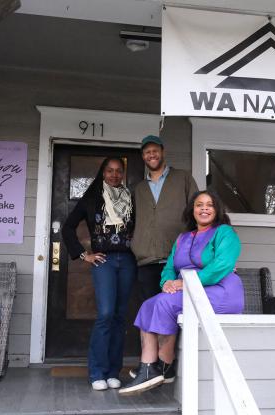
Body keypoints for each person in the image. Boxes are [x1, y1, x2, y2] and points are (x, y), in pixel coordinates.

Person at [119, 190, 244, 396]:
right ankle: (155, 367)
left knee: (163, 304)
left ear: (217, 210)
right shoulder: (183, 238)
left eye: (209, 205)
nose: (204, 208)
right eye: (199, 204)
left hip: (221, 291)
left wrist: (183, 284)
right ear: (192, 210)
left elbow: (221, 266)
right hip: (189, 288)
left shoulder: (225, 233)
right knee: (149, 304)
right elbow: (170, 266)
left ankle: (157, 367)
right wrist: (167, 282)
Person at [62, 157, 136, 392]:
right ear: (103, 173)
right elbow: (67, 227)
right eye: (110, 171)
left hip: (127, 261)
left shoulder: (132, 199)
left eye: (118, 171)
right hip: (103, 261)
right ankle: (97, 372)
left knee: (119, 316)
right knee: (105, 314)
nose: (114, 175)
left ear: (123, 174)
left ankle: (114, 371)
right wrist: (85, 255)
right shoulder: (91, 199)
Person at [131, 135, 198, 302]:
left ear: (163, 152)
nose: (151, 155)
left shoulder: (183, 178)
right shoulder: (139, 189)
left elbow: (198, 212)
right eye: (147, 152)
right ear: (143, 156)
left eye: (155, 151)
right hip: (147, 261)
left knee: (177, 313)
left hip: (177, 258)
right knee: (149, 310)